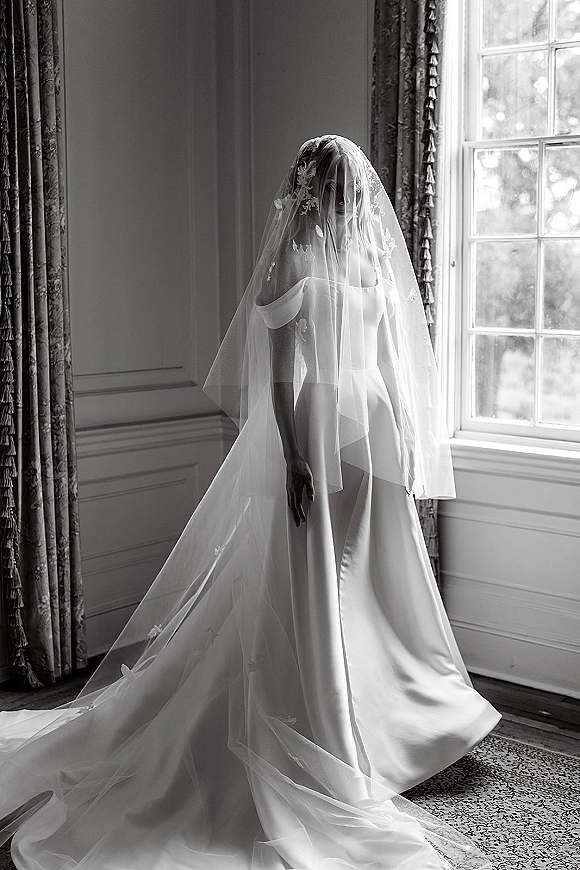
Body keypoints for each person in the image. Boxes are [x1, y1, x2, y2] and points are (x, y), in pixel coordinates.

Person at [0, 135, 501, 869]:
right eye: (329, 186)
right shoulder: (290, 260)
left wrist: (406, 442)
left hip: (371, 430)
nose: (340, 197)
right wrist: (296, 456)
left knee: (375, 579)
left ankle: (396, 720)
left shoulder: (368, 258)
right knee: (311, 585)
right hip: (319, 423)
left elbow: (393, 358)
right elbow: (277, 374)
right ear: (316, 190)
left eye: (338, 186)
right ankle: (324, 725)